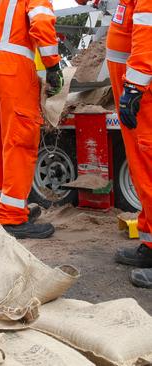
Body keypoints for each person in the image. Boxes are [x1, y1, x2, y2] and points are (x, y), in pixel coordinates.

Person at [0, 0, 64, 239]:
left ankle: (11, 207)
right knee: (20, 139)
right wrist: (53, 66)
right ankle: (12, 219)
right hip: (11, 67)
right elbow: (42, 21)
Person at [103, 0, 152, 288]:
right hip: (139, 89)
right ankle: (149, 245)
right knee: (142, 171)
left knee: (148, 169)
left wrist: (134, 86)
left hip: (143, 90)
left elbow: (148, 29)